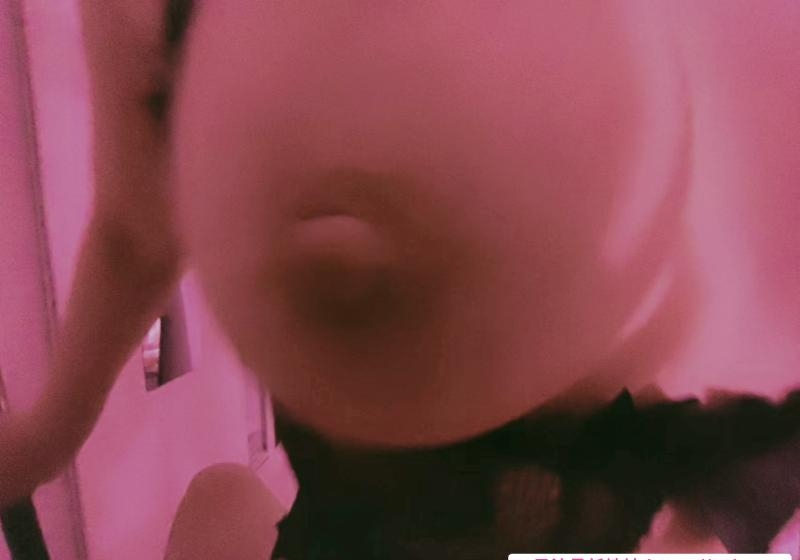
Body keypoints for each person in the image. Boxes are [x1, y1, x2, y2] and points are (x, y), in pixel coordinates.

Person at [1, 0, 797, 557]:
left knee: (219, 499)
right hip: (381, 498)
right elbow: (137, 230)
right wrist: (48, 435)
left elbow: (136, 232)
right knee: (219, 498)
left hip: (578, 459)